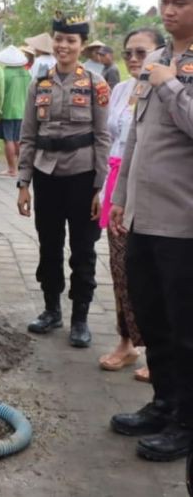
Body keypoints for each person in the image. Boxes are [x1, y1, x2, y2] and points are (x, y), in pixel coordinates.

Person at [109, 0, 193, 462]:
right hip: (143, 216)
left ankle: (186, 421)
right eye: (165, 2)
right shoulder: (156, 57)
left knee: (186, 328)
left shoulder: (169, 69)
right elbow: (135, 135)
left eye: (180, 4)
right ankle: (162, 404)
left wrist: (169, 84)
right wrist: (120, 197)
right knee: (153, 319)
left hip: (183, 223)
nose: (169, 11)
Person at [16, 13, 111, 348]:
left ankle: (80, 318)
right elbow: (28, 135)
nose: (63, 45)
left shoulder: (96, 84)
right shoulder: (38, 82)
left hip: (83, 177)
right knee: (49, 245)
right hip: (46, 175)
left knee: (83, 249)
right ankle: (51, 309)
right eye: (59, 38)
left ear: (82, 45)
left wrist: (100, 187)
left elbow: (102, 137)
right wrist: (23, 182)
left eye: (71, 40)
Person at [98, 28, 164, 380]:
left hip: (155, 190)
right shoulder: (121, 90)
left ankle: (158, 352)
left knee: (155, 275)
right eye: (129, 53)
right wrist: (102, 190)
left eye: (142, 53)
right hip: (117, 186)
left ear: (159, 54)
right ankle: (126, 342)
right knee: (121, 268)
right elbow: (109, 142)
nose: (135, 60)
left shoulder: (170, 88)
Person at [0, 46, 31, 177]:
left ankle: (12, 169)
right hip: (23, 110)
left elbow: (1, 93)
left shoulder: (4, 73)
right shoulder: (27, 73)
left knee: (8, 139)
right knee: (19, 140)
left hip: (8, 110)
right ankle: (22, 168)